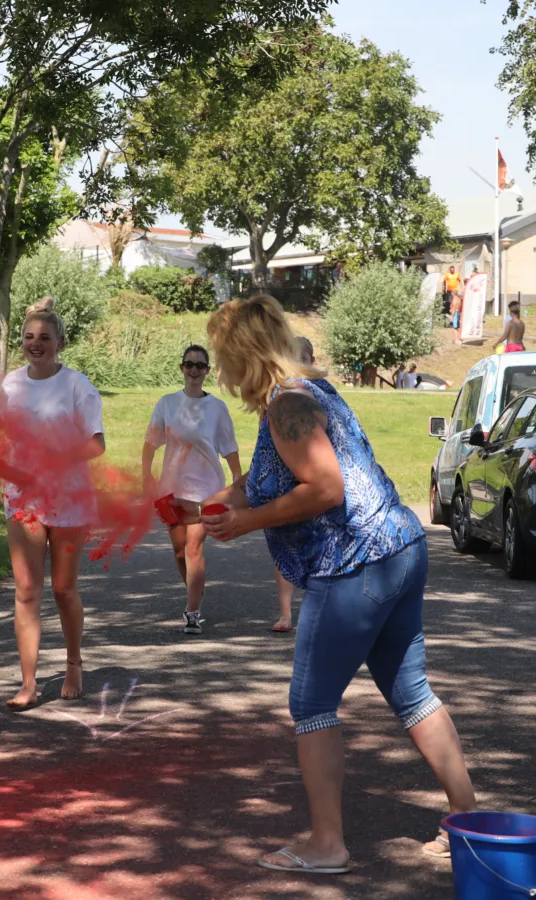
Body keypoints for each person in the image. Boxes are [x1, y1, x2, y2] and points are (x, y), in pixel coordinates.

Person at [201, 295, 476, 873]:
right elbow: (273, 476)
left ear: (241, 354)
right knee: (412, 693)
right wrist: (210, 506)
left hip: (355, 563)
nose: (220, 372)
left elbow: (324, 488)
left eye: (223, 356)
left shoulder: (286, 406)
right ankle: (467, 824)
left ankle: (327, 844)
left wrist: (246, 523)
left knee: (311, 702)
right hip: (399, 547)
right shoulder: (307, 392)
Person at [0, 297, 105, 709]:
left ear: (60, 341)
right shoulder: (10, 384)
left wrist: (54, 458)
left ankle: (74, 662)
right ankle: (28, 682)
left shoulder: (78, 385)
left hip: (69, 497)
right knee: (26, 590)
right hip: (23, 496)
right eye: (28, 337)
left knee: (63, 589)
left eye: (44, 337)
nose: (35, 343)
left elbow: (96, 445)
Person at [142, 345, 241, 635]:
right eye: (189, 364)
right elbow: (150, 443)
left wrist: (236, 488)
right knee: (178, 550)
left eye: (200, 365)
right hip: (171, 488)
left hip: (206, 489)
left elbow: (230, 451)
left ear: (208, 371)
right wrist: (146, 476)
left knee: (194, 547)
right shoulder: (167, 403)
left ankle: (192, 611)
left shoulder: (217, 408)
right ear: (182, 368)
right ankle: (194, 591)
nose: (194, 370)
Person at [270, 335, 316, 632]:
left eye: (304, 358)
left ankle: (315, 613)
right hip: (286, 483)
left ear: (312, 360)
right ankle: (286, 614)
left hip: (313, 484)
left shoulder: (316, 394)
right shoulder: (280, 396)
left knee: (316, 549)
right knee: (283, 547)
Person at [444, 266, 463, 343]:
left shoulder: (457, 274)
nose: (452, 270)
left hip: (455, 289)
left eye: (453, 269)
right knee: (451, 303)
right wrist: (445, 289)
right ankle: (458, 338)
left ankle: (457, 339)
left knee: (454, 303)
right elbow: (445, 282)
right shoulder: (447, 275)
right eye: (451, 269)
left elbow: (460, 280)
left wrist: (462, 287)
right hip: (449, 290)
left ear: (454, 270)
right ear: (450, 270)